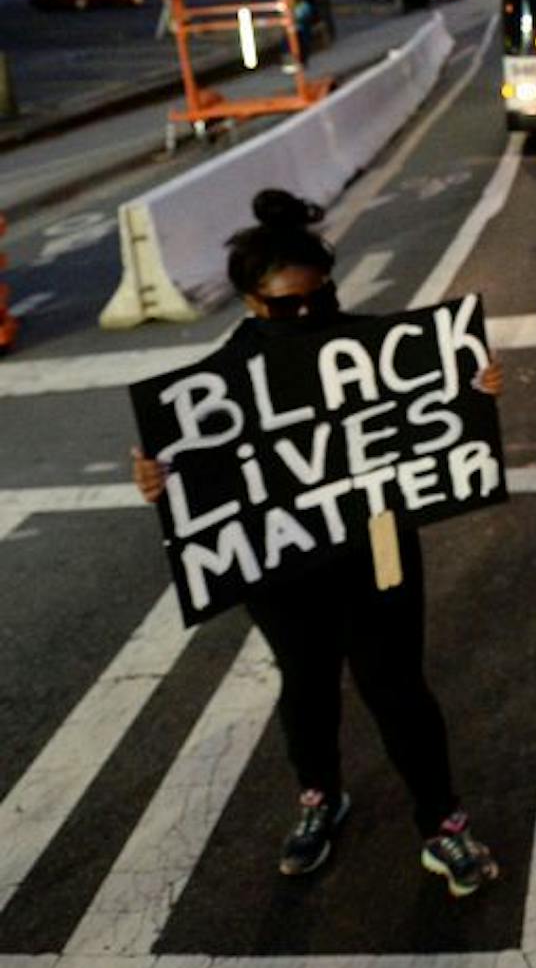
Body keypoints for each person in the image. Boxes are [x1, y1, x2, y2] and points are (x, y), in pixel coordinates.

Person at [130, 190, 505, 896]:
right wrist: (157, 476)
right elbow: (188, 463)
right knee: (306, 684)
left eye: (318, 299)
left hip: (378, 543)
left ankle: (443, 823)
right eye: (286, 306)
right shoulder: (215, 388)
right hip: (283, 563)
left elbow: (438, 402)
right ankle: (319, 795)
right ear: (248, 303)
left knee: (395, 686)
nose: (306, 315)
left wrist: (474, 386)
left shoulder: (377, 350)